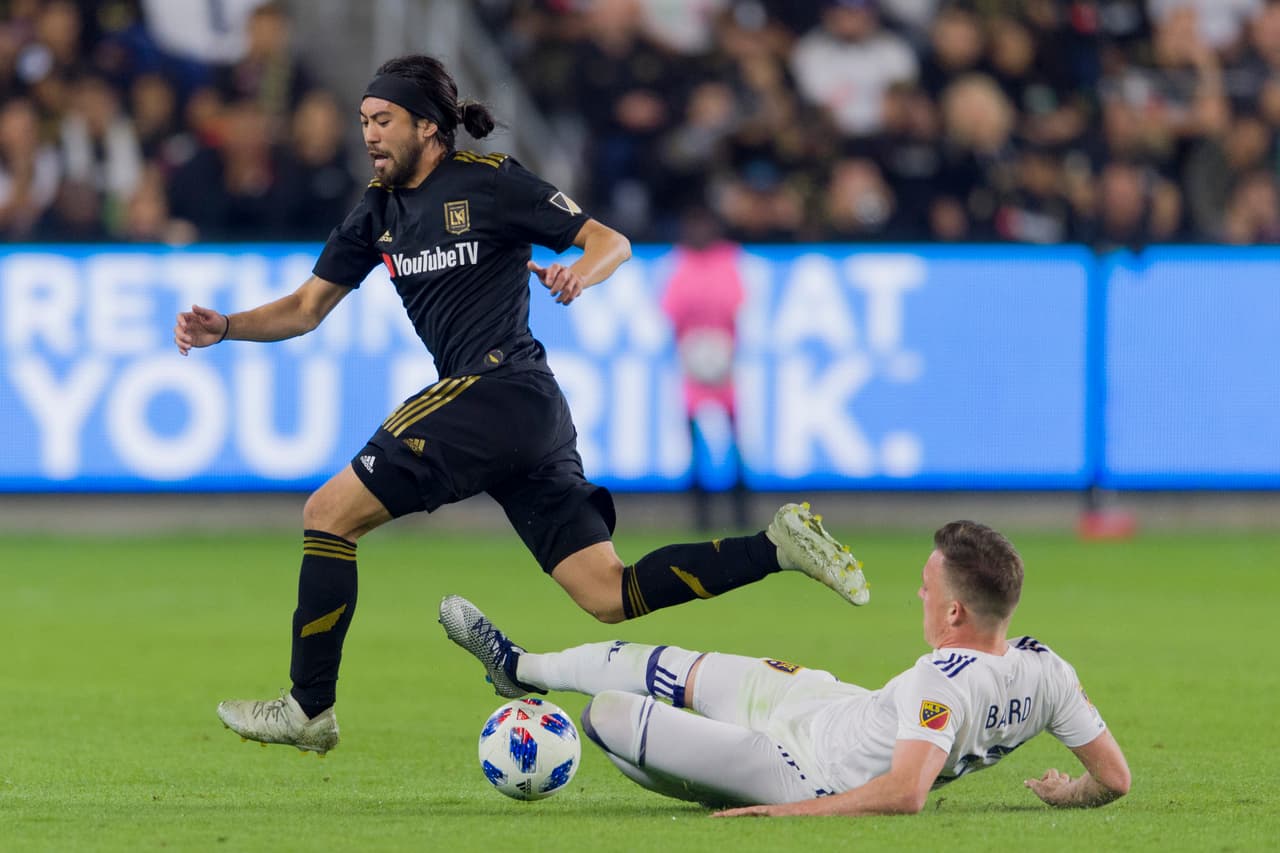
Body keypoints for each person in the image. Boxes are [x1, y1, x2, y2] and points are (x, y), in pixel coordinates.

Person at [173, 54, 869, 755]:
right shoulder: (375, 211)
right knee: (607, 592)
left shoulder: (490, 182)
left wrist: (578, 273)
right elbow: (304, 308)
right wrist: (226, 327)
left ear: (428, 125)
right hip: (516, 414)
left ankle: (308, 707)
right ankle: (775, 545)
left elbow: (610, 241)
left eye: (383, 121)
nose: (370, 136)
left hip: (499, 389)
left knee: (327, 514)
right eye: (363, 123)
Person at [440, 520, 1131, 815]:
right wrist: (1068, 792)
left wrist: (785, 815)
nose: (921, 592)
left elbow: (905, 793)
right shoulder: (1050, 672)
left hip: (802, 771)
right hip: (825, 702)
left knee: (607, 715)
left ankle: (715, 777)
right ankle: (521, 667)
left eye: (930, 586)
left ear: (955, 614)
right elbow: (1115, 778)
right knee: (668, 663)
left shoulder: (941, 681)